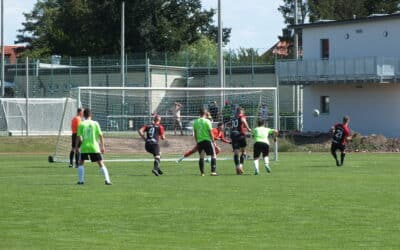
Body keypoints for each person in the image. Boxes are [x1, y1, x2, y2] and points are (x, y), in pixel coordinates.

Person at [76, 108, 112, 185]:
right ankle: (107, 180)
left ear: (83, 115)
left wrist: (77, 147)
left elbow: (78, 137)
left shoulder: (81, 124)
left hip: (85, 147)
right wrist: (102, 146)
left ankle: (81, 181)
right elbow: (101, 135)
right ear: (90, 115)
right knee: (101, 164)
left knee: (81, 163)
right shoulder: (95, 123)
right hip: (94, 147)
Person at [193, 108, 217, 176]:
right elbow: (210, 132)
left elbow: (195, 133)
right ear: (205, 113)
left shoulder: (195, 122)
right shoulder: (207, 121)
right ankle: (213, 172)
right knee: (214, 155)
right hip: (207, 141)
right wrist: (213, 141)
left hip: (200, 141)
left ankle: (202, 173)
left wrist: (197, 141)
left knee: (201, 156)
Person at [230, 107, 252, 175]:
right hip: (240, 135)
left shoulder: (233, 117)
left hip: (233, 135)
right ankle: (240, 166)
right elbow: (243, 120)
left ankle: (237, 167)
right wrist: (248, 128)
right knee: (243, 151)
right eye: (243, 111)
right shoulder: (241, 116)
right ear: (241, 111)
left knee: (236, 152)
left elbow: (231, 125)